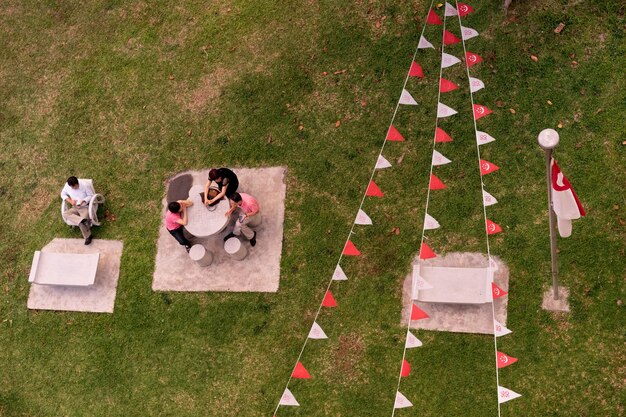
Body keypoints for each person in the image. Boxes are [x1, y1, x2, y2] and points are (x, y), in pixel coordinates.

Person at [61, 176, 95, 245]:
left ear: (77, 183)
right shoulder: (67, 186)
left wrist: (84, 200)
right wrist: (70, 201)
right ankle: (83, 220)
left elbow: (91, 195)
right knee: (65, 214)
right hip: (75, 207)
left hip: (84, 206)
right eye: (72, 187)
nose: (74, 188)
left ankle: (88, 236)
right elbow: (62, 194)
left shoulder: (85, 185)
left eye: (75, 187)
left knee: (81, 221)